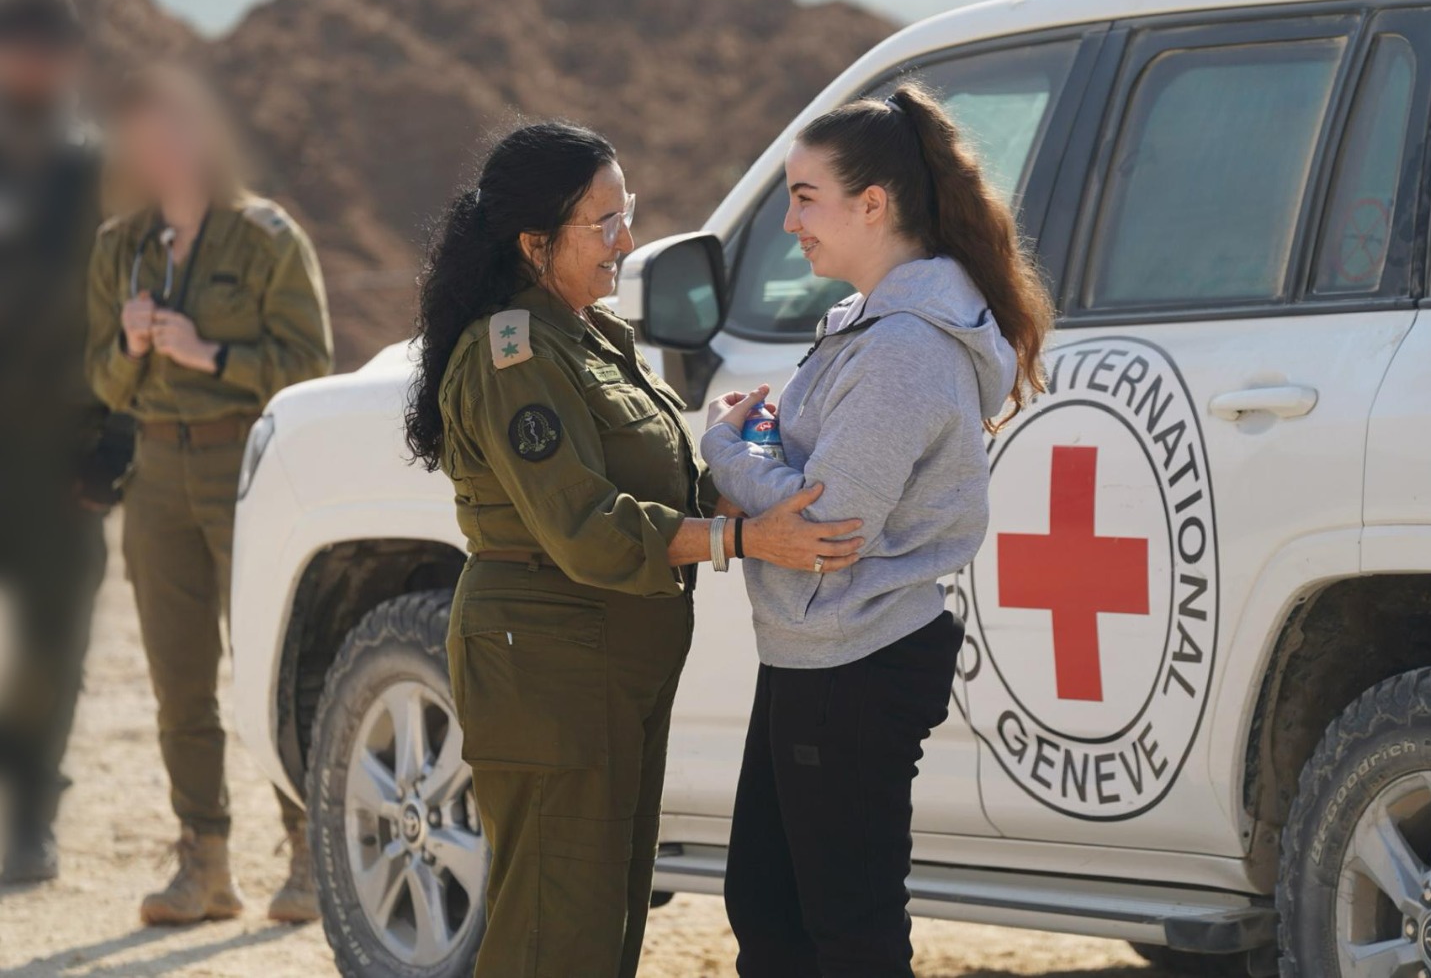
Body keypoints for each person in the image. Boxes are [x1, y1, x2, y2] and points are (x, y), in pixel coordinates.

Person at [404, 120, 867, 977]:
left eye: (629, 215)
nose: (626, 241)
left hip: (609, 666)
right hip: (550, 670)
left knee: (603, 921)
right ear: (533, 241)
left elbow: (654, 486)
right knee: (552, 932)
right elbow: (586, 527)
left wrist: (724, 458)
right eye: (603, 223)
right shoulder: (515, 353)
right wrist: (740, 537)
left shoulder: (590, 336)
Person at [699, 83, 1054, 977]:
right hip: (817, 651)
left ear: (873, 203)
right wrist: (765, 439)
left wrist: (721, 446)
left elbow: (823, 524)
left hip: (852, 657)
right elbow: (815, 469)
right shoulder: (871, 327)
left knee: (844, 935)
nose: (789, 222)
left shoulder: (904, 350)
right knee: (771, 913)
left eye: (804, 197)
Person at [84, 66, 333, 925]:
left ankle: (308, 856)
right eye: (142, 136)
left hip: (247, 472)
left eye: (174, 129)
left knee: (269, 669)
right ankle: (204, 863)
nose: (158, 149)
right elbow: (104, 382)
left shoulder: (266, 237)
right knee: (177, 679)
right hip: (154, 478)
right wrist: (128, 345)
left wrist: (209, 355)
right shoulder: (121, 244)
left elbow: (310, 368)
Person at [0, 0, 134, 885]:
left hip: (58, 458)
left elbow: (136, 308)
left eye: (53, 47)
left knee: (52, 646)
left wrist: (116, 443)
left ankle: (29, 820)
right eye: (22, 44)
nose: (37, 63)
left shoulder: (99, 172)